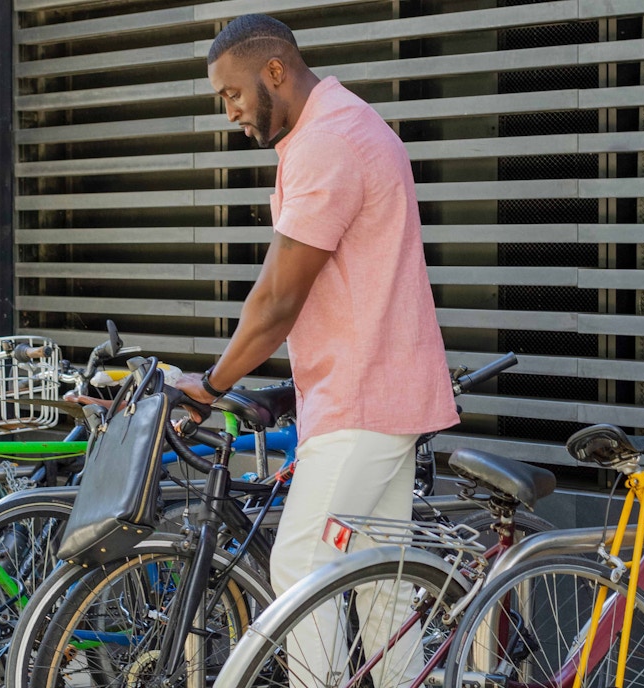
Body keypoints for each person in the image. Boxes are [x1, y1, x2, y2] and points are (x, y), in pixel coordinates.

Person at [174, 13, 459, 687]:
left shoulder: (328, 142)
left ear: (274, 70)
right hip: (381, 395)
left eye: (232, 93)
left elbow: (276, 301)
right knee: (380, 586)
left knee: (300, 566)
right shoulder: (347, 124)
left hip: (360, 401)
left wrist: (210, 386)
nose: (231, 113)